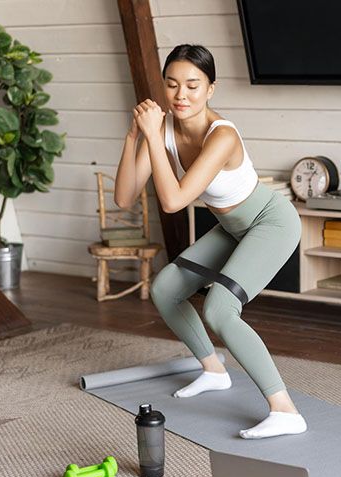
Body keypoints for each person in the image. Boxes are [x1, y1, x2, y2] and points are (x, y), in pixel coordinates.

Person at [114, 44, 306, 440]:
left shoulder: (223, 136)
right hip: (232, 228)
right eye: (171, 85)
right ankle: (213, 371)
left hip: (271, 223)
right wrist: (135, 136)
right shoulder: (162, 129)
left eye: (192, 85)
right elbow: (124, 197)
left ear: (210, 89)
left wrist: (151, 136)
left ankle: (285, 410)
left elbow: (173, 200)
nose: (180, 95)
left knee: (220, 309)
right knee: (166, 288)